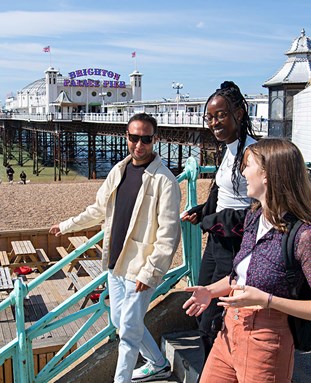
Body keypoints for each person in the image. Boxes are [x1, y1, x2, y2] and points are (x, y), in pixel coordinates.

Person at [49, 113, 181, 383]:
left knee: (128, 335)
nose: (139, 145)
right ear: (127, 137)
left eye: (145, 139)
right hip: (115, 263)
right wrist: (66, 225)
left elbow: (169, 234)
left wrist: (151, 271)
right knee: (120, 320)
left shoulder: (164, 181)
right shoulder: (118, 170)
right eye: (134, 138)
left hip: (139, 268)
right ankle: (157, 363)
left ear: (154, 140)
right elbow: (98, 209)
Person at [183, 138, 311, 383]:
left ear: (267, 175)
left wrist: (267, 300)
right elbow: (240, 277)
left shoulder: (303, 235)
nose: (242, 173)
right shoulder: (254, 217)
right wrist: (209, 291)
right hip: (229, 331)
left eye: (247, 165)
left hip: (267, 340)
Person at [181, 81, 257, 366]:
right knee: (202, 305)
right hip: (216, 240)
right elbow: (221, 192)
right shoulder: (230, 148)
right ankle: (214, 367)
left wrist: (215, 220)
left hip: (236, 243)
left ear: (239, 112)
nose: (214, 122)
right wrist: (203, 211)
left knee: (216, 314)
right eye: (210, 117)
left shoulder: (252, 153)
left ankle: (222, 368)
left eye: (221, 115)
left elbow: (258, 210)